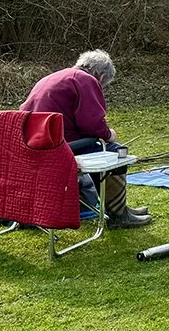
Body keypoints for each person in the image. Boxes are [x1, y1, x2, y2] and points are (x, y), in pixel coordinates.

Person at [20, 50, 152, 228]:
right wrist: (109, 134)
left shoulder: (54, 77)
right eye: (104, 84)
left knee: (102, 147)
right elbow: (92, 125)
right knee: (116, 152)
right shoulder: (85, 80)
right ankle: (118, 214)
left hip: (34, 146)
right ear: (102, 76)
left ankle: (120, 207)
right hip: (60, 147)